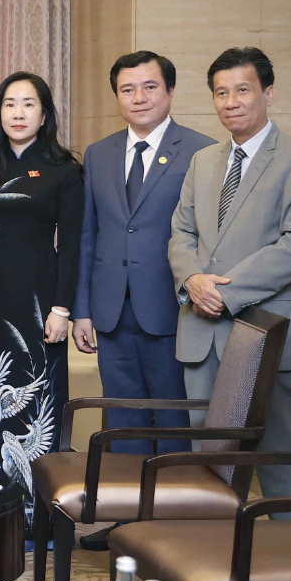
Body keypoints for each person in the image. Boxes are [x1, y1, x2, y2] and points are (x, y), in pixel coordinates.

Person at [169, 47, 291, 521]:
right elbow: (182, 233)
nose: (231, 101)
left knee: (278, 453)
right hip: (202, 331)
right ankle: (212, 558)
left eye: (243, 90)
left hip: (266, 330)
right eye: (221, 92)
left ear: (268, 93)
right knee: (209, 460)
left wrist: (223, 291)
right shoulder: (202, 161)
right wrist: (193, 279)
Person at [71, 52, 214, 551]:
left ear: (170, 92)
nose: (139, 97)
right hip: (110, 309)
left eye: (149, 87)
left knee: (173, 419)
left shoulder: (202, 151)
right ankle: (128, 522)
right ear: (117, 97)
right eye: (128, 89)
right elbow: (89, 235)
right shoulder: (100, 152)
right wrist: (83, 307)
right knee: (125, 419)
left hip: (174, 307)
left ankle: (172, 525)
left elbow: (206, 237)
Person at [0, 72, 82, 524]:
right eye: (9, 104)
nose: (18, 113)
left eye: (28, 104)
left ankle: (37, 516)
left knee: (38, 404)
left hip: (39, 304)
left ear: (45, 113)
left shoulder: (64, 170)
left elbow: (72, 243)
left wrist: (61, 308)